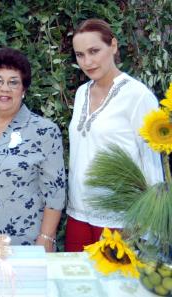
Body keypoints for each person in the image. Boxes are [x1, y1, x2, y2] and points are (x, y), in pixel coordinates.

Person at [66, 19, 164, 252]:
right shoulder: (82, 93)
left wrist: (149, 226)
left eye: (94, 51)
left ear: (113, 45)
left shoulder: (137, 95)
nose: (87, 62)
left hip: (120, 219)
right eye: (80, 55)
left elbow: (151, 163)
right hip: (78, 213)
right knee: (78, 286)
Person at [0, 48, 66, 252]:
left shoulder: (45, 132)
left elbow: (55, 193)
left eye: (13, 82)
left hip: (22, 245)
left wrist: (46, 238)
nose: (4, 88)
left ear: (24, 90)